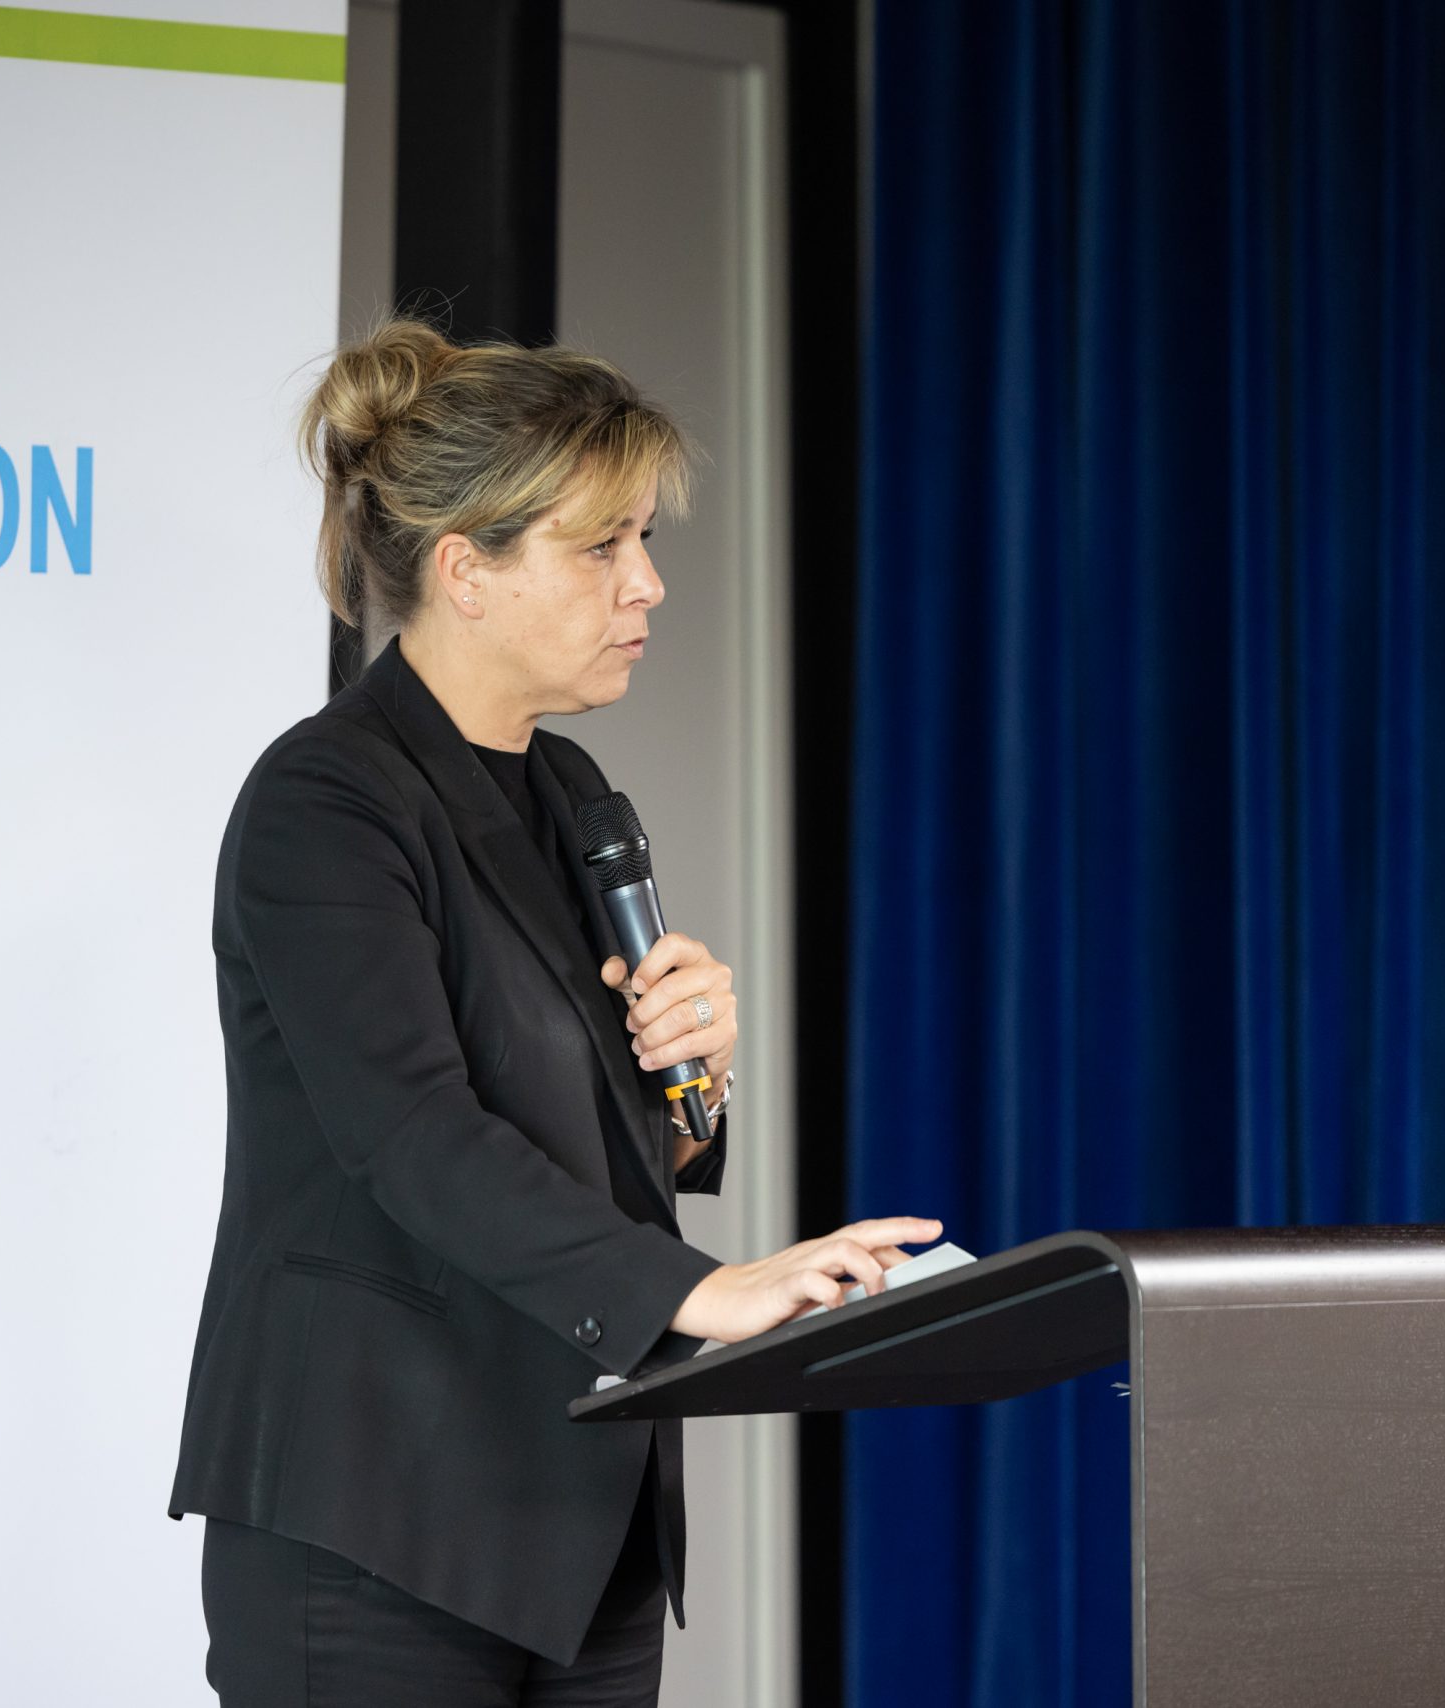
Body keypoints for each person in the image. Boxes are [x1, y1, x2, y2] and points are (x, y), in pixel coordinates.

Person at [167, 317, 941, 1706]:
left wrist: (691, 1081)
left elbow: (587, 1134)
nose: (648, 584)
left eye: (643, 541)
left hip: (576, 1524)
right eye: (602, 548)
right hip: (376, 1517)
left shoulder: (575, 797)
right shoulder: (325, 803)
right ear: (466, 569)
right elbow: (412, 1135)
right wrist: (697, 1290)